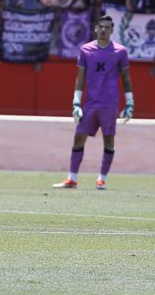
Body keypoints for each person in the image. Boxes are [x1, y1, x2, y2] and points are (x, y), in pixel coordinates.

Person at [53, 14, 133, 190]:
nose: (103, 30)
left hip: (109, 103)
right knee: (78, 138)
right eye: (101, 26)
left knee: (109, 139)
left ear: (112, 30)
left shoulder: (120, 51)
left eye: (107, 27)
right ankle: (72, 178)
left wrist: (130, 102)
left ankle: (101, 178)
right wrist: (76, 102)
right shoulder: (85, 50)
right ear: (96, 28)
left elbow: (126, 77)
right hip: (90, 103)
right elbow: (79, 78)